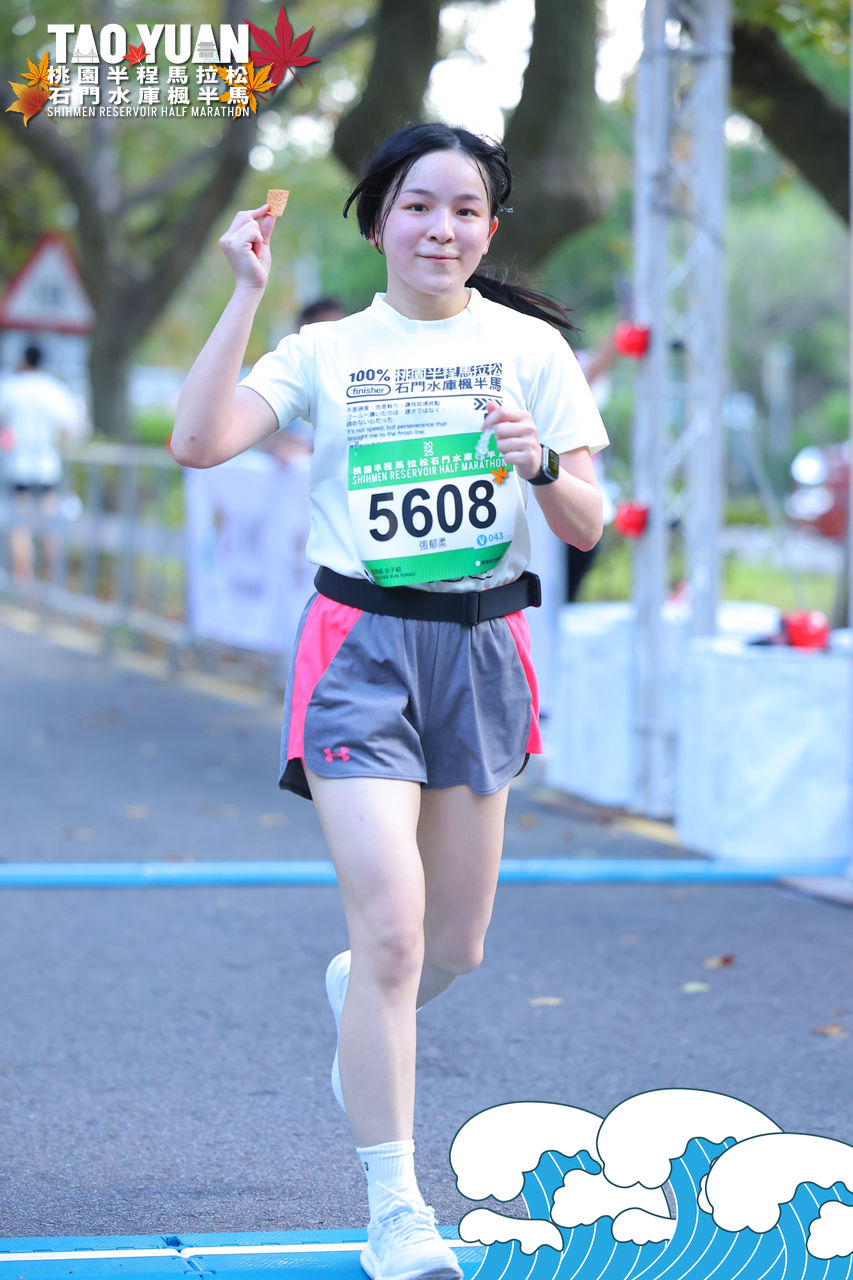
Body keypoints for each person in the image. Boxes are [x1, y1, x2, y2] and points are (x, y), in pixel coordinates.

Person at [172, 121, 608, 1280]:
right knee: (397, 933)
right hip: (359, 647)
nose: (440, 228)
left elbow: (588, 523)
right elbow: (197, 440)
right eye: (417, 205)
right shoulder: (326, 350)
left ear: (489, 230)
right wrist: (244, 294)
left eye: (464, 209)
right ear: (378, 222)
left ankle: (355, 987)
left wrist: (540, 464)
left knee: (454, 942)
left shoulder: (529, 350)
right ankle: (397, 1209)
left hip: (484, 646)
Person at [0, 345, 87, 581]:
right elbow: (73, 426)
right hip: (47, 466)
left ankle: (24, 581)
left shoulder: (12, 387)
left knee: (20, 525)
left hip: (18, 465)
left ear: (24, 360)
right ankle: (51, 579)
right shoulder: (53, 389)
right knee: (51, 521)